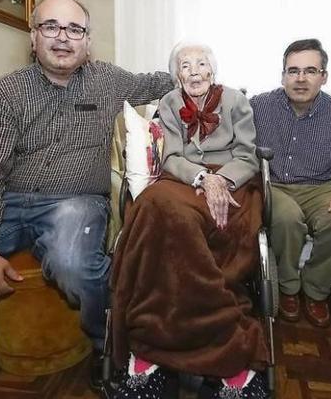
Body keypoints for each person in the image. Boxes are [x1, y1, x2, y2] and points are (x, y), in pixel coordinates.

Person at [0, 0, 174, 389]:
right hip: (5, 200)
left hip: (75, 202)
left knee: (75, 265)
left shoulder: (109, 80)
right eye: (51, 26)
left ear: (88, 41)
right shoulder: (4, 93)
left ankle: (107, 343)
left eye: (75, 29)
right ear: (33, 36)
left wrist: (194, 71)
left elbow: (160, 81)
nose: (63, 37)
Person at [109, 42, 270, 398]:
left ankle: (212, 334)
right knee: (152, 206)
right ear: (177, 74)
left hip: (233, 181)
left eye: (201, 64)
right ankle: (151, 336)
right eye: (185, 65)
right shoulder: (168, 104)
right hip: (186, 179)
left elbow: (247, 155)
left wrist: (221, 179)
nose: (194, 71)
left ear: (213, 70)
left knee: (201, 221)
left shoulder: (235, 101)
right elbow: (172, 158)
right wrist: (201, 178)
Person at [250, 38, 331, 328]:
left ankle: (316, 289)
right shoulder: (258, 106)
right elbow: (235, 144)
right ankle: (288, 288)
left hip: (320, 187)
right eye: (293, 71)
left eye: (310, 70)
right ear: (283, 75)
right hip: (274, 184)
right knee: (286, 219)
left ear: (324, 76)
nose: (300, 78)